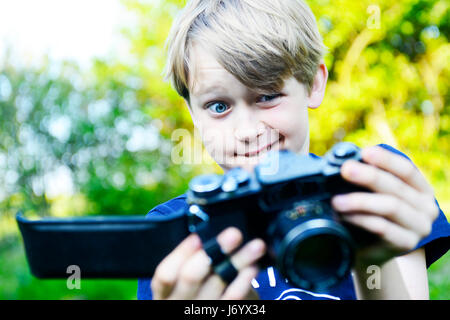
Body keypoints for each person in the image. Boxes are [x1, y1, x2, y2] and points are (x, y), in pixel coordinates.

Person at [137, 0, 450, 300]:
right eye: (218, 106)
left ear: (313, 84)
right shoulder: (175, 228)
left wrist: (373, 257)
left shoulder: (368, 188)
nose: (247, 131)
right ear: (193, 113)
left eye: (268, 95)